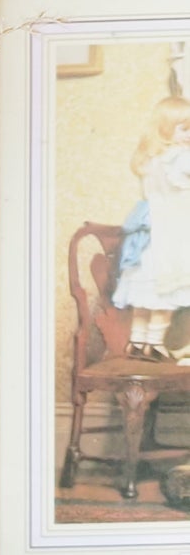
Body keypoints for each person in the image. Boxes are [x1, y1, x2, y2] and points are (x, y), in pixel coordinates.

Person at [113, 94, 190, 359]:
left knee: (145, 289)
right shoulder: (181, 158)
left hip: (151, 233)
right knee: (164, 290)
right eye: (186, 128)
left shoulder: (151, 159)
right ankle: (155, 343)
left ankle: (136, 342)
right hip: (172, 233)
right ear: (166, 129)